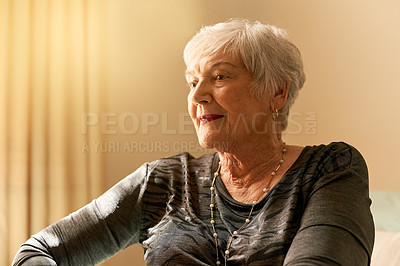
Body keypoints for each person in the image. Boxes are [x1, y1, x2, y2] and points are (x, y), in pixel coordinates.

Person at [13, 18, 374, 266]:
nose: (198, 95)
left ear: (276, 92)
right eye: (192, 82)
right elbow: (39, 249)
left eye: (220, 76)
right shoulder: (163, 181)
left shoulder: (331, 170)